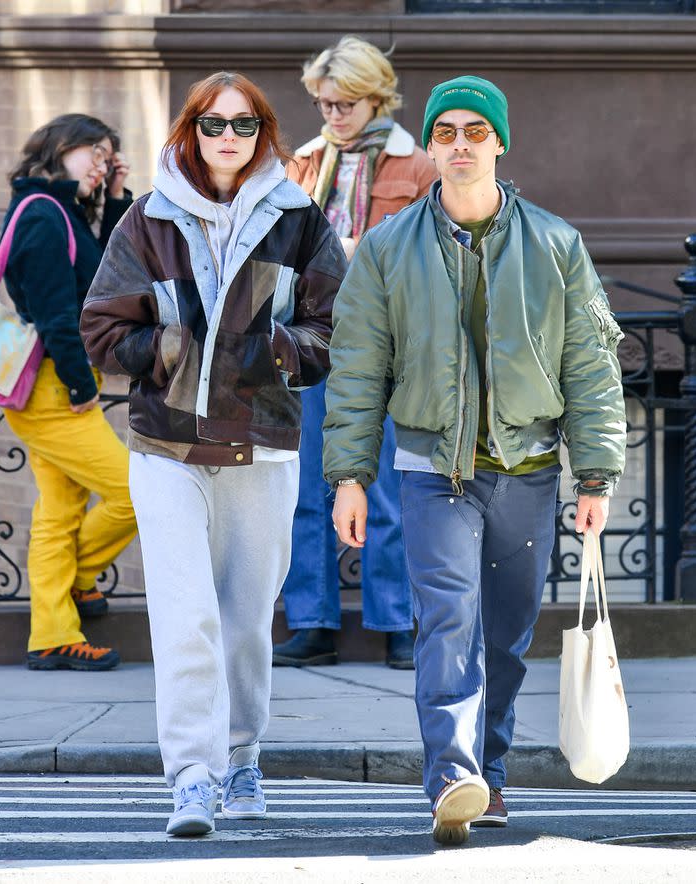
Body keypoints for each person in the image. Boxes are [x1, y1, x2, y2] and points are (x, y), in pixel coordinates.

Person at [323, 75, 627, 845]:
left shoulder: (555, 243)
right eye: (446, 131)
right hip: (432, 471)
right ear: (429, 144)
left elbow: (589, 363)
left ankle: (489, 774)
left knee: (506, 635)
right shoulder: (388, 248)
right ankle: (452, 776)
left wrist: (595, 473)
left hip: (526, 469)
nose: (460, 144)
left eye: (475, 132)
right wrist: (351, 476)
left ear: (499, 143)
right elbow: (358, 369)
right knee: (448, 620)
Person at [80, 71, 346, 837]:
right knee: (185, 616)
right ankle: (191, 776)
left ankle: (242, 756)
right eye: (211, 125)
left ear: (264, 134)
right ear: (188, 132)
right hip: (168, 447)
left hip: (262, 450)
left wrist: (274, 354)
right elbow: (99, 327)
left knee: (246, 621)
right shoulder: (146, 221)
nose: (227, 139)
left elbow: (338, 326)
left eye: (244, 125)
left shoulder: (300, 222)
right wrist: (169, 344)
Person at [273, 35, 437, 670]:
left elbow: (434, 262)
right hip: (315, 344)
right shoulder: (306, 164)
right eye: (323, 104)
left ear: (376, 98)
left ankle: (397, 622)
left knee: (389, 487)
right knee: (311, 484)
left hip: (390, 347)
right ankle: (313, 622)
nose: (332, 116)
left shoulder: (416, 168)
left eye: (344, 104)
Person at [1, 113, 137, 672]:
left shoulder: (62, 212)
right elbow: (58, 314)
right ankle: (80, 580)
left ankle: (52, 633)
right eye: (93, 153)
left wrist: (118, 196)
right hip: (54, 391)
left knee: (58, 515)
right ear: (60, 149)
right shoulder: (42, 215)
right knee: (135, 492)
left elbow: (106, 277)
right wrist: (83, 383)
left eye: (108, 156)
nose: (101, 163)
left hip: (58, 387)